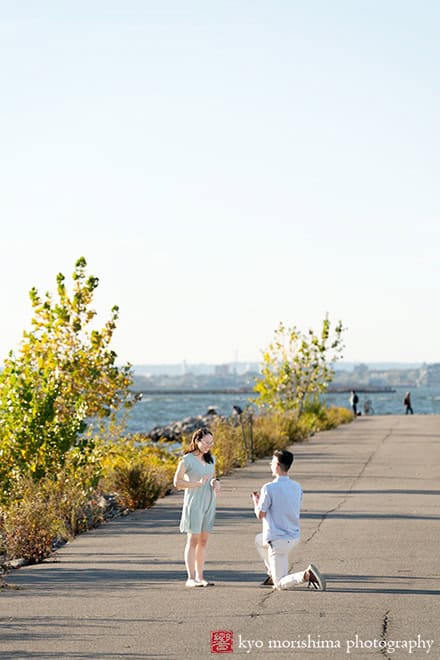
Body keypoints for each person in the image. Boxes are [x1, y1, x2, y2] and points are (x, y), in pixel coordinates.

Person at [251, 449, 326, 591]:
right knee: (259, 540)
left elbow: (260, 515)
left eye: (272, 462)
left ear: (277, 465)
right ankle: (272, 573)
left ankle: (305, 575)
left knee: (280, 584)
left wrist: (256, 501)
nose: (270, 465)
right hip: (293, 536)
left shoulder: (268, 488)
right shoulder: (297, 487)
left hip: (277, 540)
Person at [173, 427, 220, 587]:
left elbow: (211, 478)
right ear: (197, 441)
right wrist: (197, 484)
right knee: (193, 540)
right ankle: (190, 578)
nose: (209, 445)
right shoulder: (187, 460)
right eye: (206, 442)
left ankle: (200, 577)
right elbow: (177, 483)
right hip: (194, 503)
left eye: (211, 443)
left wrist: (215, 482)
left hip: (209, 502)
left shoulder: (211, 459)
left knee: (203, 541)